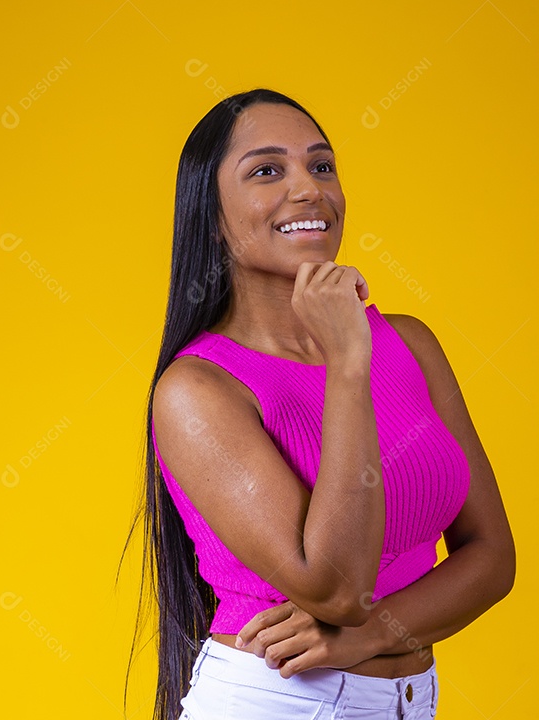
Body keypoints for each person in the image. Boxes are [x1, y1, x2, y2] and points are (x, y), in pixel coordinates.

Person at [125, 88, 516, 719]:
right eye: (267, 170)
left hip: (409, 702)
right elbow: (336, 588)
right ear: (212, 211)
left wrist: (374, 636)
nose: (309, 189)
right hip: (278, 702)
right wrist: (347, 361)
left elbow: (492, 557)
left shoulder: (411, 342)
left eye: (322, 165)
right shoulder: (198, 391)